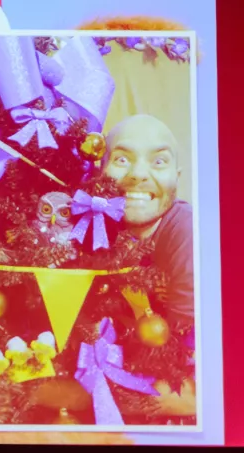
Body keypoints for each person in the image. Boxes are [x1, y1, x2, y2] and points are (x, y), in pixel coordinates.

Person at [103, 114, 194, 327]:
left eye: (159, 161)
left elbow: (188, 332)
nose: (138, 174)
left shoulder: (186, 230)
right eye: (122, 159)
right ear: (101, 170)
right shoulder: (92, 226)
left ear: (176, 178)